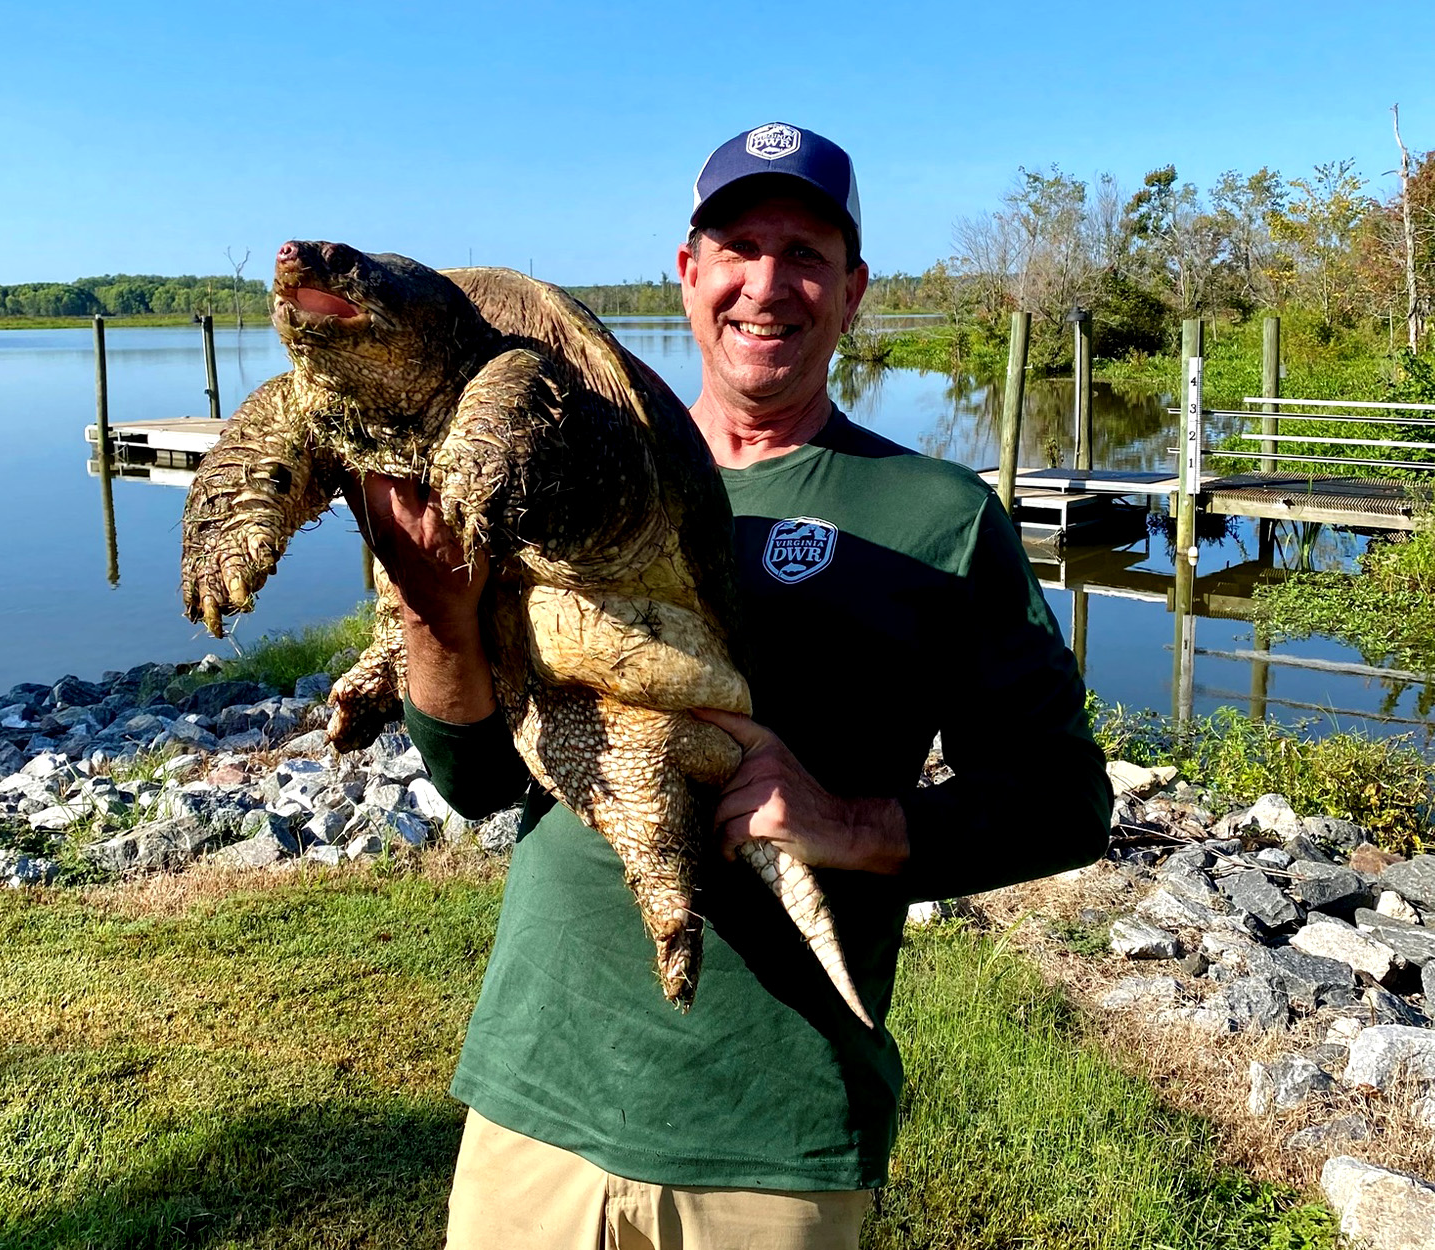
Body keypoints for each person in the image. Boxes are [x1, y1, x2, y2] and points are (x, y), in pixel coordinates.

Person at [353, 123, 1111, 1250]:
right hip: (536, 1094)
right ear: (688, 272)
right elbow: (472, 778)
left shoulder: (938, 517)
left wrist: (849, 822)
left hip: (769, 1127)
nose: (769, 283)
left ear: (853, 292)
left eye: (806, 253)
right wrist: (432, 609)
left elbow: (1064, 800)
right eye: (740, 245)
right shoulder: (561, 474)